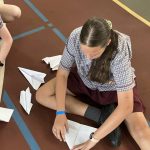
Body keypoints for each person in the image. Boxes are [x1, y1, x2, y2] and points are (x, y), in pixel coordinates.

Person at [36, 17, 150, 150]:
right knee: (41, 95)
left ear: (107, 43)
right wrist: (60, 113)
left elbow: (126, 106)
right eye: (84, 52)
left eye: (94, 54)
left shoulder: (120, 49)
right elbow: (62, 73)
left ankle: (110, 117)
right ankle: (102, 116)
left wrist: (93, 138)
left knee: (142, 133)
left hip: (113, 89)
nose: (88, 58)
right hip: (83, 80)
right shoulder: (75, 37)